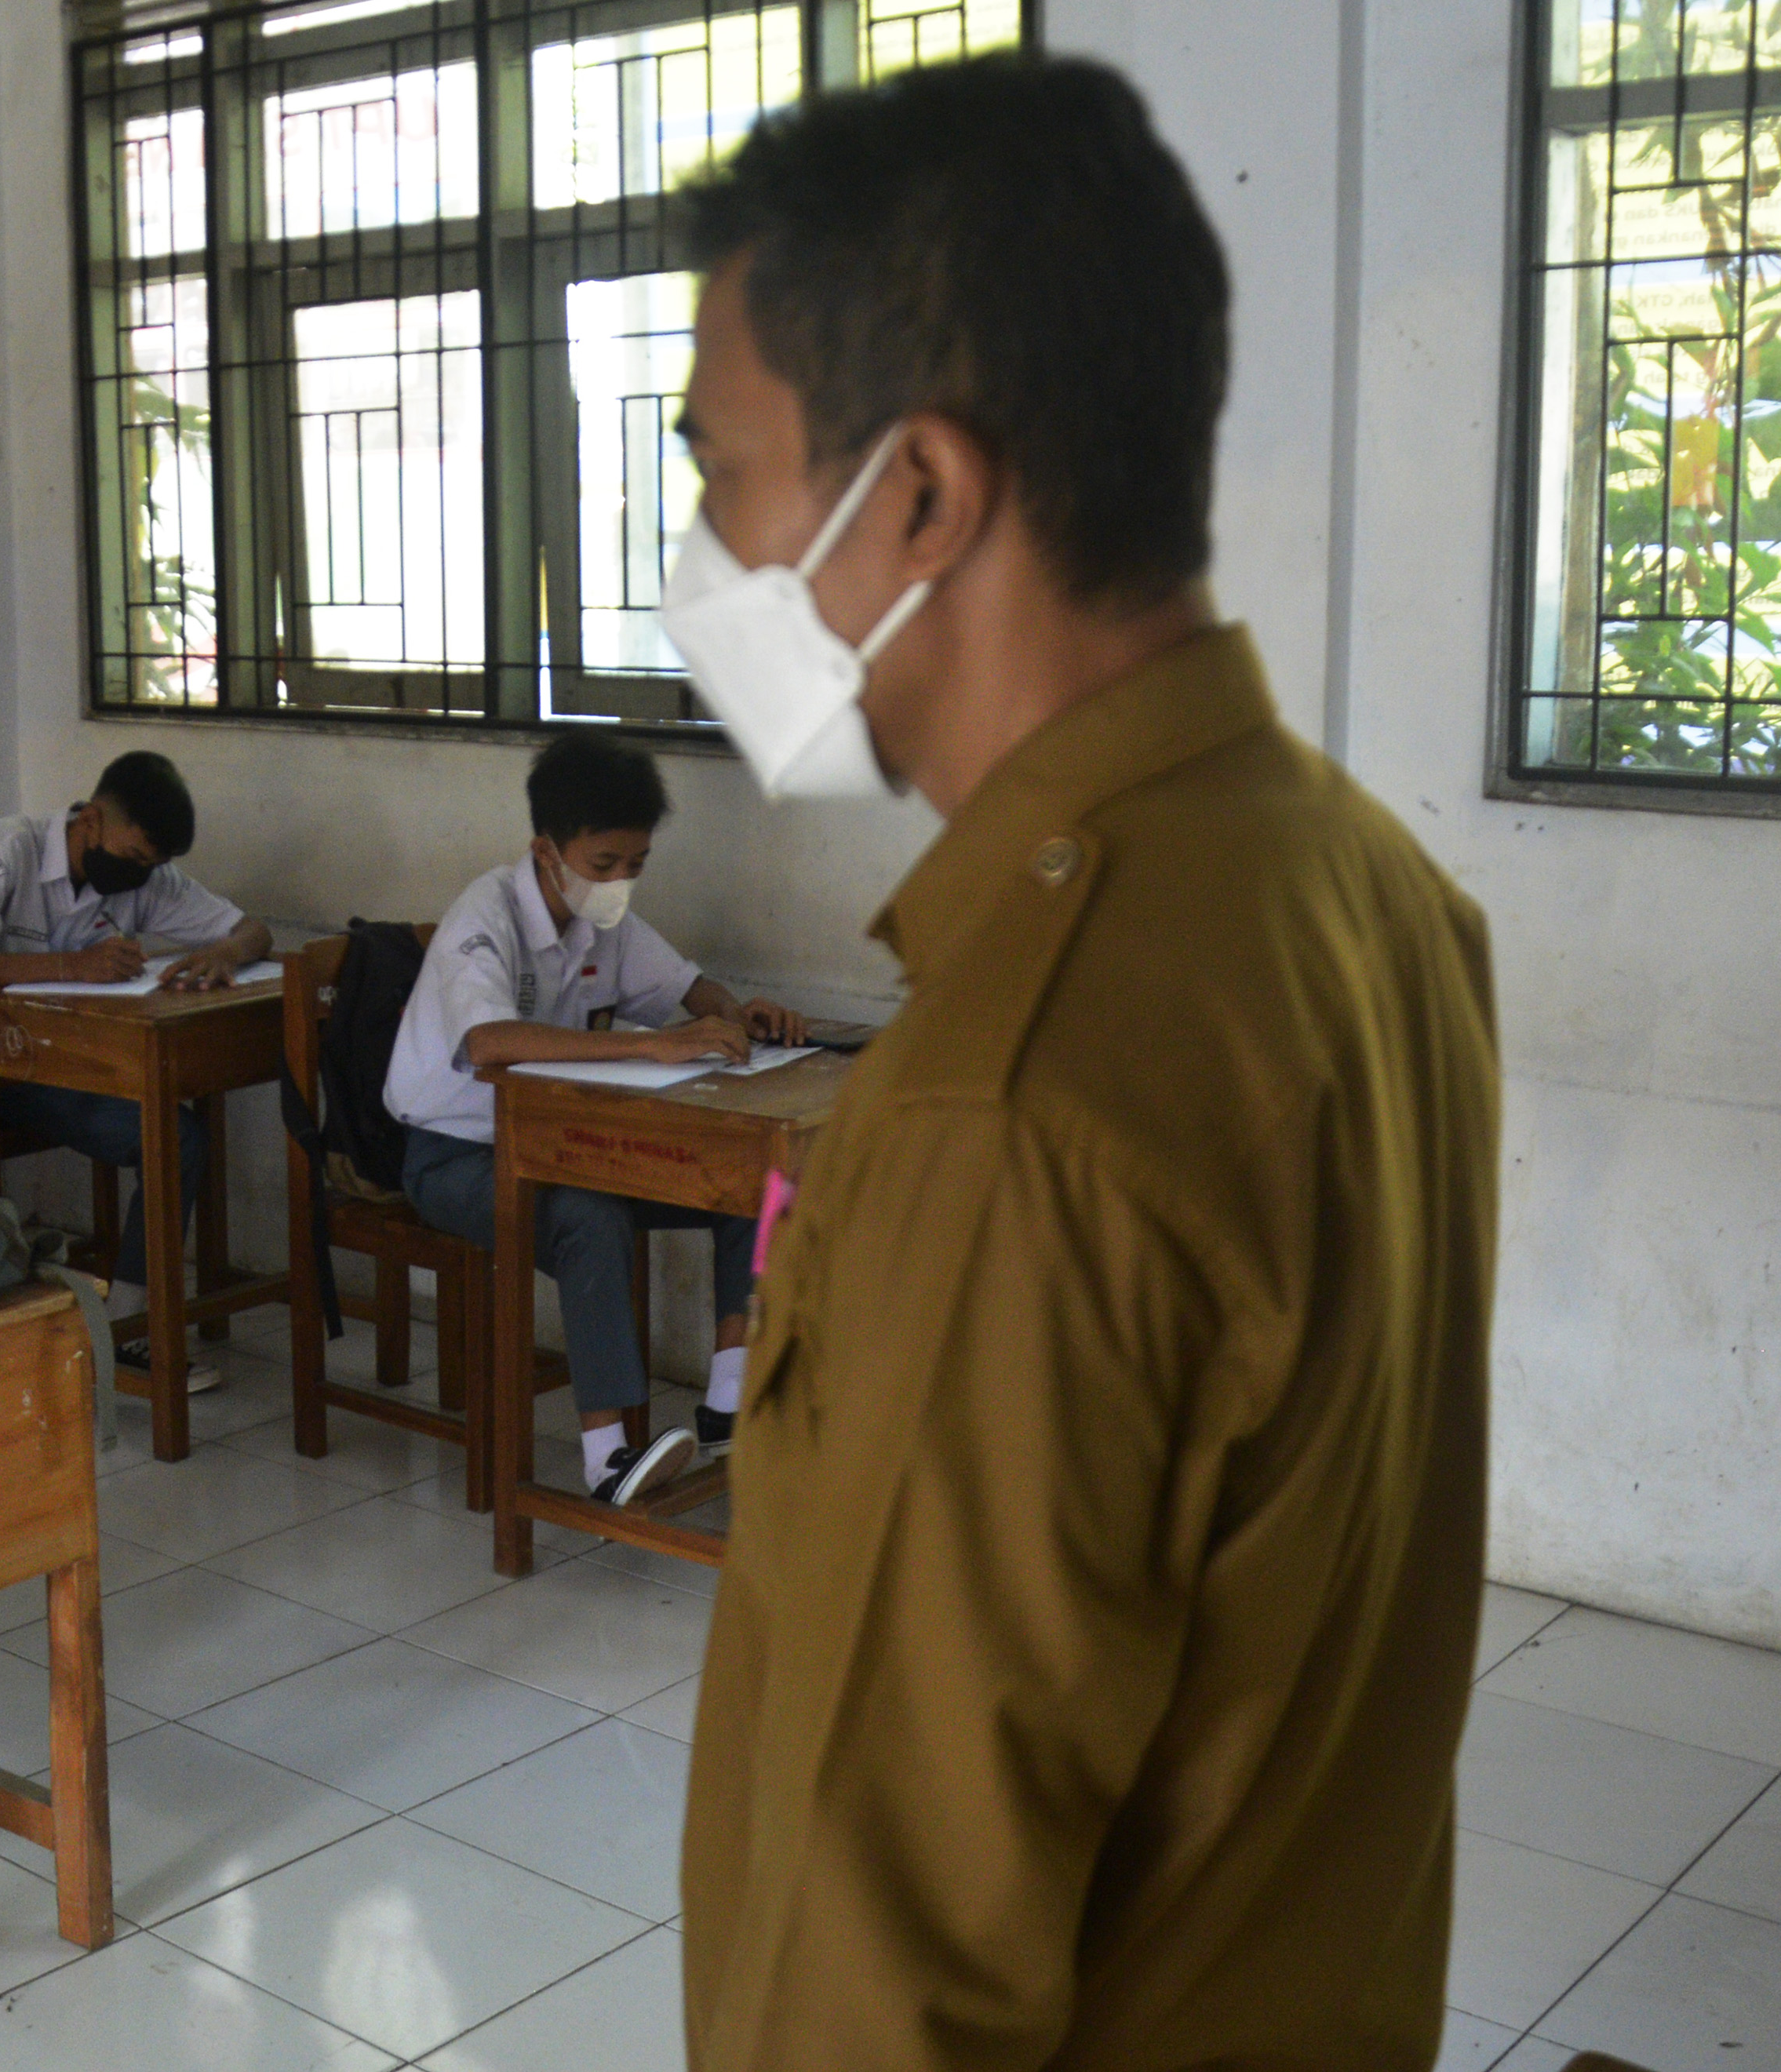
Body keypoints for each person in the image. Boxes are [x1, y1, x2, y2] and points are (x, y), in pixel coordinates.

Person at [661, 56, 1498, 2071]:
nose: (700, 544)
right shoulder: (1368, 893)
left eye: (720, 467)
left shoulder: (1008, 1106)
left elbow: (878, 1979)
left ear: (922, 495)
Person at [384, 732, 806, 1506]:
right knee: (589, 1213)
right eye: (603, 865)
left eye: (635, 865)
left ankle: (727, 1401)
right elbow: (488, 1040)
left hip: (570, 1145)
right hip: (456, 1155)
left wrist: (734, 1013)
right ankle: (606, 1459)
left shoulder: (606, 923)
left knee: (758, 1177)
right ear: (545, 850)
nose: (618, 882)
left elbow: (691, 988)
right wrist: (653, 1046)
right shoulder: (486, 914)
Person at [0, 751, 271, 1364]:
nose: (142, 875)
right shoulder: (7, 847)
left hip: (48, 1068)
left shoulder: (145, 877)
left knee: (175, 1137)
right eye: (135, 858)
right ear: (92, 820)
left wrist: (226, 953)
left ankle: (127, 1323)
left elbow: (253, 929)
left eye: (155, 865)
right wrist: (71, 967)